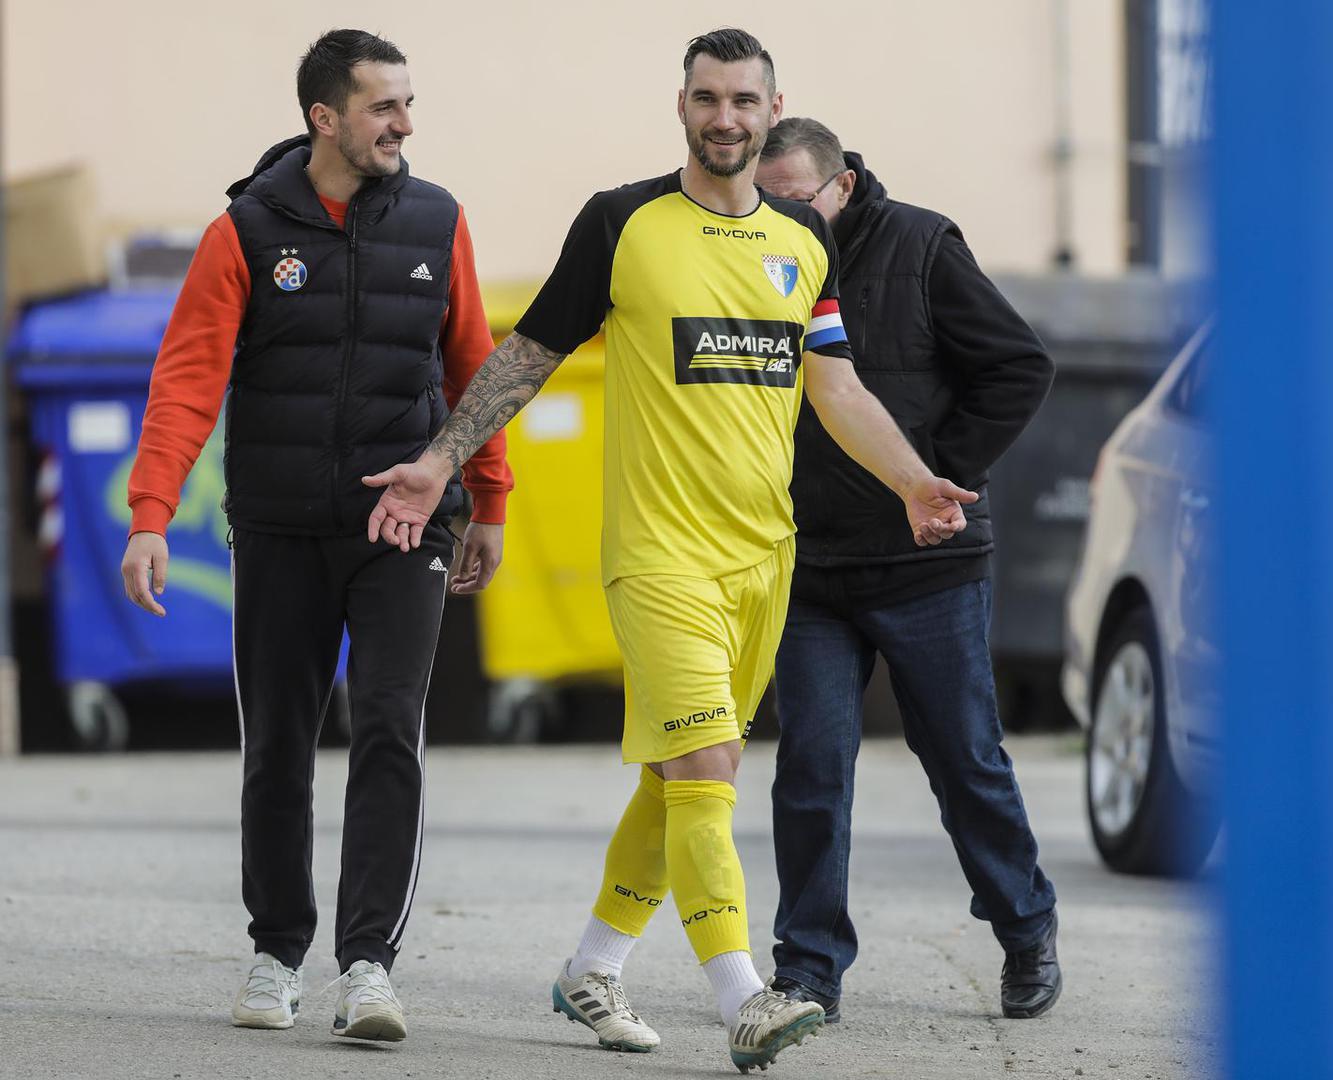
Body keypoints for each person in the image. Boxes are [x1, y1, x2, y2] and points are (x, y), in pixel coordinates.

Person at [360, 28, 977, 1072]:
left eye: (743, 100)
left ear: (772, 107)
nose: (724, 118)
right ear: (680, 105)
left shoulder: (802, 238)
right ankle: (744, 996)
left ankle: (592, 967)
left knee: (678, 775)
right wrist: (442, 460)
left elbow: (834, 385)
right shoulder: (622, 221)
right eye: (706, 98)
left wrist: (913, 481)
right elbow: (529, 354)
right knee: (705, 768)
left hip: (764, 559)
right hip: (658, 556)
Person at [119, 29, 512, 1042]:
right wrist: (151, 515)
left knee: (387, 727)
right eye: (384, 106)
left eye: (408, 103)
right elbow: (186, 379)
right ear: (324, 118)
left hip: (404, 525)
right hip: (280, 525)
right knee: (278, 743)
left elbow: (474, 364)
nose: (405, 124)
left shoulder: (437, 219)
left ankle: (369, 965)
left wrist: (490, 498)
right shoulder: (245, 232)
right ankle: (276, 951)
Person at [753, 118, 1061, 1021]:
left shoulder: (921, 245)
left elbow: (1018, 367)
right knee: (812, 769)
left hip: (928, 562)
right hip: (807, 563)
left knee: (963, 759)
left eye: (795, 200)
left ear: (843, 185)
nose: (778, 216)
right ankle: (809, 968)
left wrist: (934, 475)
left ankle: (1025, 926)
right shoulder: (748, 251)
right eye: (766, 201)